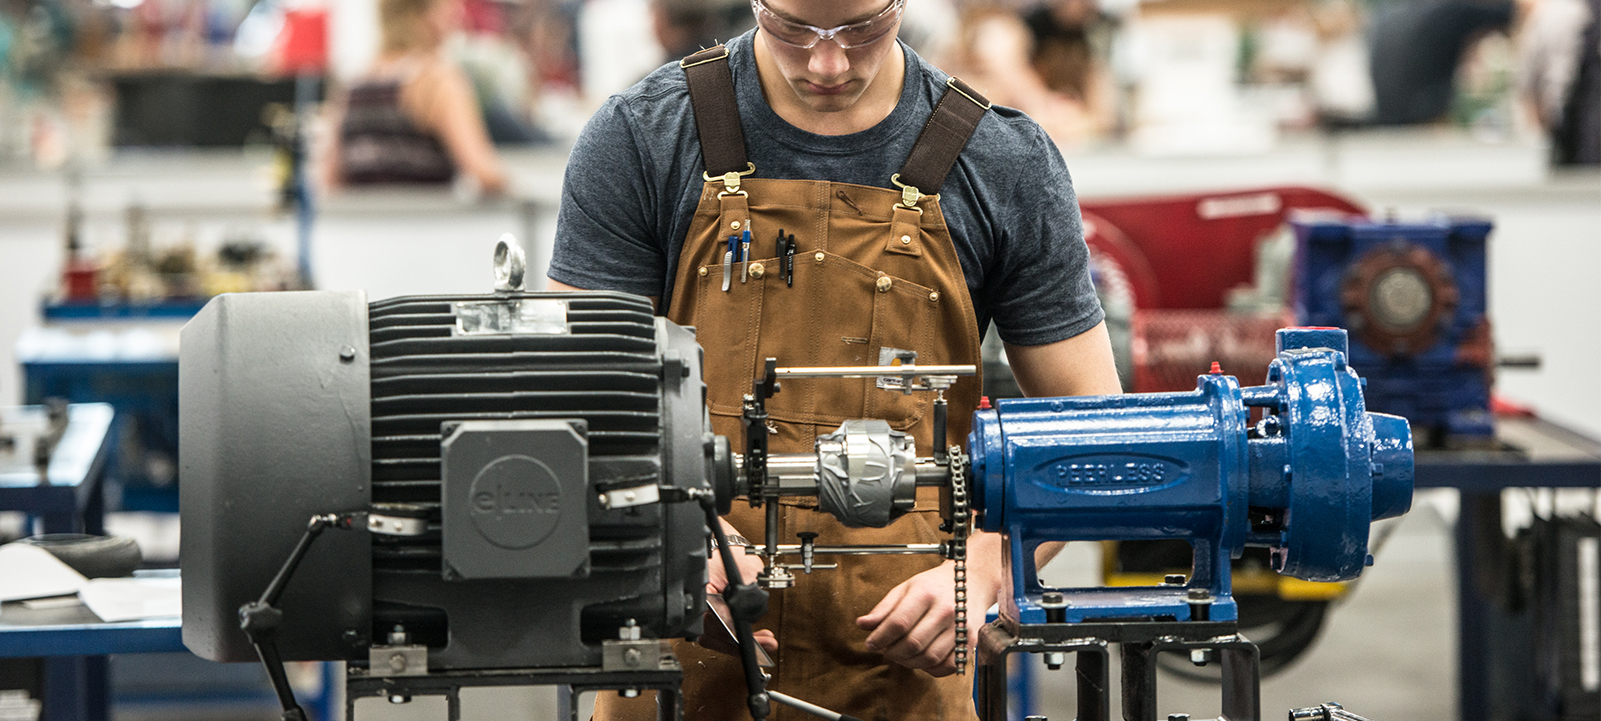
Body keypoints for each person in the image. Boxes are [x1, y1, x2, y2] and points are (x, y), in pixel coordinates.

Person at [547, 0, 1121, 718]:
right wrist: (660, 531)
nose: (827, 63)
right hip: (677, 661)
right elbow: (573, 400)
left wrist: (987, 565)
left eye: (860, 28)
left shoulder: (1000, 160)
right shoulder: (644, 135)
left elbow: (1094, 426)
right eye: (792, 29)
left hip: (901, 671)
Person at [321, 0, 508, 193]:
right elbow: (484, 173)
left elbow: (330, 179)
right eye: (448, 9)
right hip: (429, 221)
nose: (457, 17)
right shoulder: (436, 82)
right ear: (424, 15)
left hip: (366, 222)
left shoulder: (352, 88)